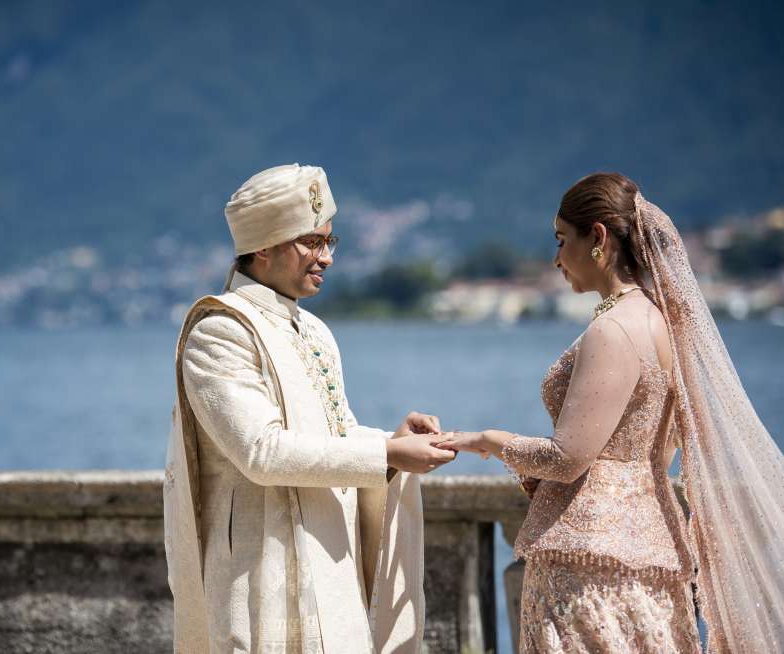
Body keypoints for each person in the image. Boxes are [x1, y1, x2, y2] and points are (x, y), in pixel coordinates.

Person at [437, 172, 784, 652]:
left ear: (597, 237)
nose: (556, 259)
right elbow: (652, 452)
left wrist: (487, 440)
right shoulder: (662, 322)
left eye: (562, 241)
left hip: (588, 563)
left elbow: (567, 459)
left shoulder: (614, 330)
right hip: (652, 546)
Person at [163, 163, 455, 653]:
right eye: (311, 243)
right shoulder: (219, 330)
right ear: (262, 246)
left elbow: (333, 434)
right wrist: (386, 456)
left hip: (328, 562)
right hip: (260, 571)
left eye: (329, 243)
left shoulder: (314, 329)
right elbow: (261, 452)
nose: (326, 258)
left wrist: (391, 442)